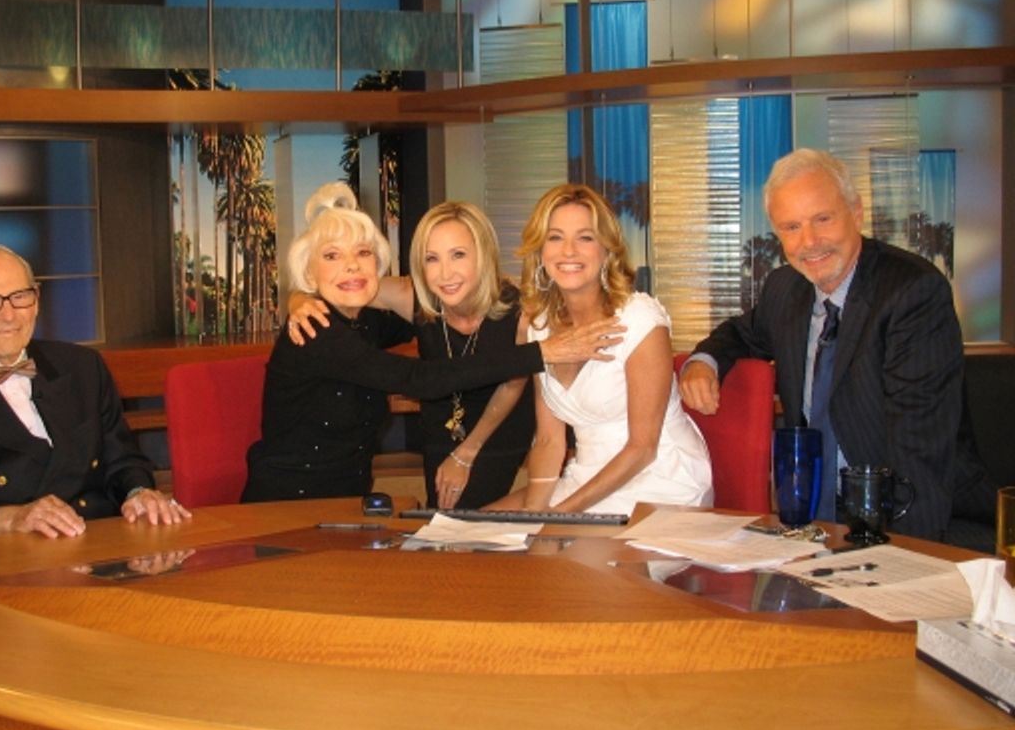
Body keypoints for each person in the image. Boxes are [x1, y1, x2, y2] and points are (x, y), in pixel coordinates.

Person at [244, 184, 621, 504]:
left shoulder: (367, 321)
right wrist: (298, 298)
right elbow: (419, 379)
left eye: (363, 254)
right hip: (289, 498)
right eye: (331, 256)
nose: (352, 266)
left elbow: (508, 375)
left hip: (356, 493)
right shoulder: (320, 329)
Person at [679, 148, 971, 541]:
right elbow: (742, 333)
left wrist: (902, 563)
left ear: (856, 211)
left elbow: (919, 454)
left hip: (902, 517)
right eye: (791, 227)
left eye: (822, 219)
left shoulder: (911, 292)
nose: (810, 242)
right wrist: (704, 361)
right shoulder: (786, 288)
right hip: (813, 525)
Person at [0, 245, 189, 546]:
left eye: (20, 297)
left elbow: (122, 460)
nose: (8, 315)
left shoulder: (83, 366)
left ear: (36, 301)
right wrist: (13, 519)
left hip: (104, 544)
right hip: (4, 561)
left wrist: (138, 493)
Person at [290, 201, 537, 510]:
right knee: (442, 516)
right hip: (440, 425)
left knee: (471, 520)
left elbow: (513, 383)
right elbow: (344, 285)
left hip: (497, 426)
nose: (445, 273)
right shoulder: (415, 298)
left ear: (484, 255)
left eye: (458, 255)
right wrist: (298, 299)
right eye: (431, 259)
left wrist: (465, 453)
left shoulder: (519, 309)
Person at [491, 184, 712, 516]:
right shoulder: (539, 326)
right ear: (540, 251)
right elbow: (550, 442)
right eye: (555, 237)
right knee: (467, 540)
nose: (568, 251)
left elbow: (642, 449)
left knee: (574, 564)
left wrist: (559, 517)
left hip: (660, 480)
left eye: (585, 237)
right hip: (585, 477)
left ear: (607, 250)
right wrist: (536, 513)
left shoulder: (640, 319)